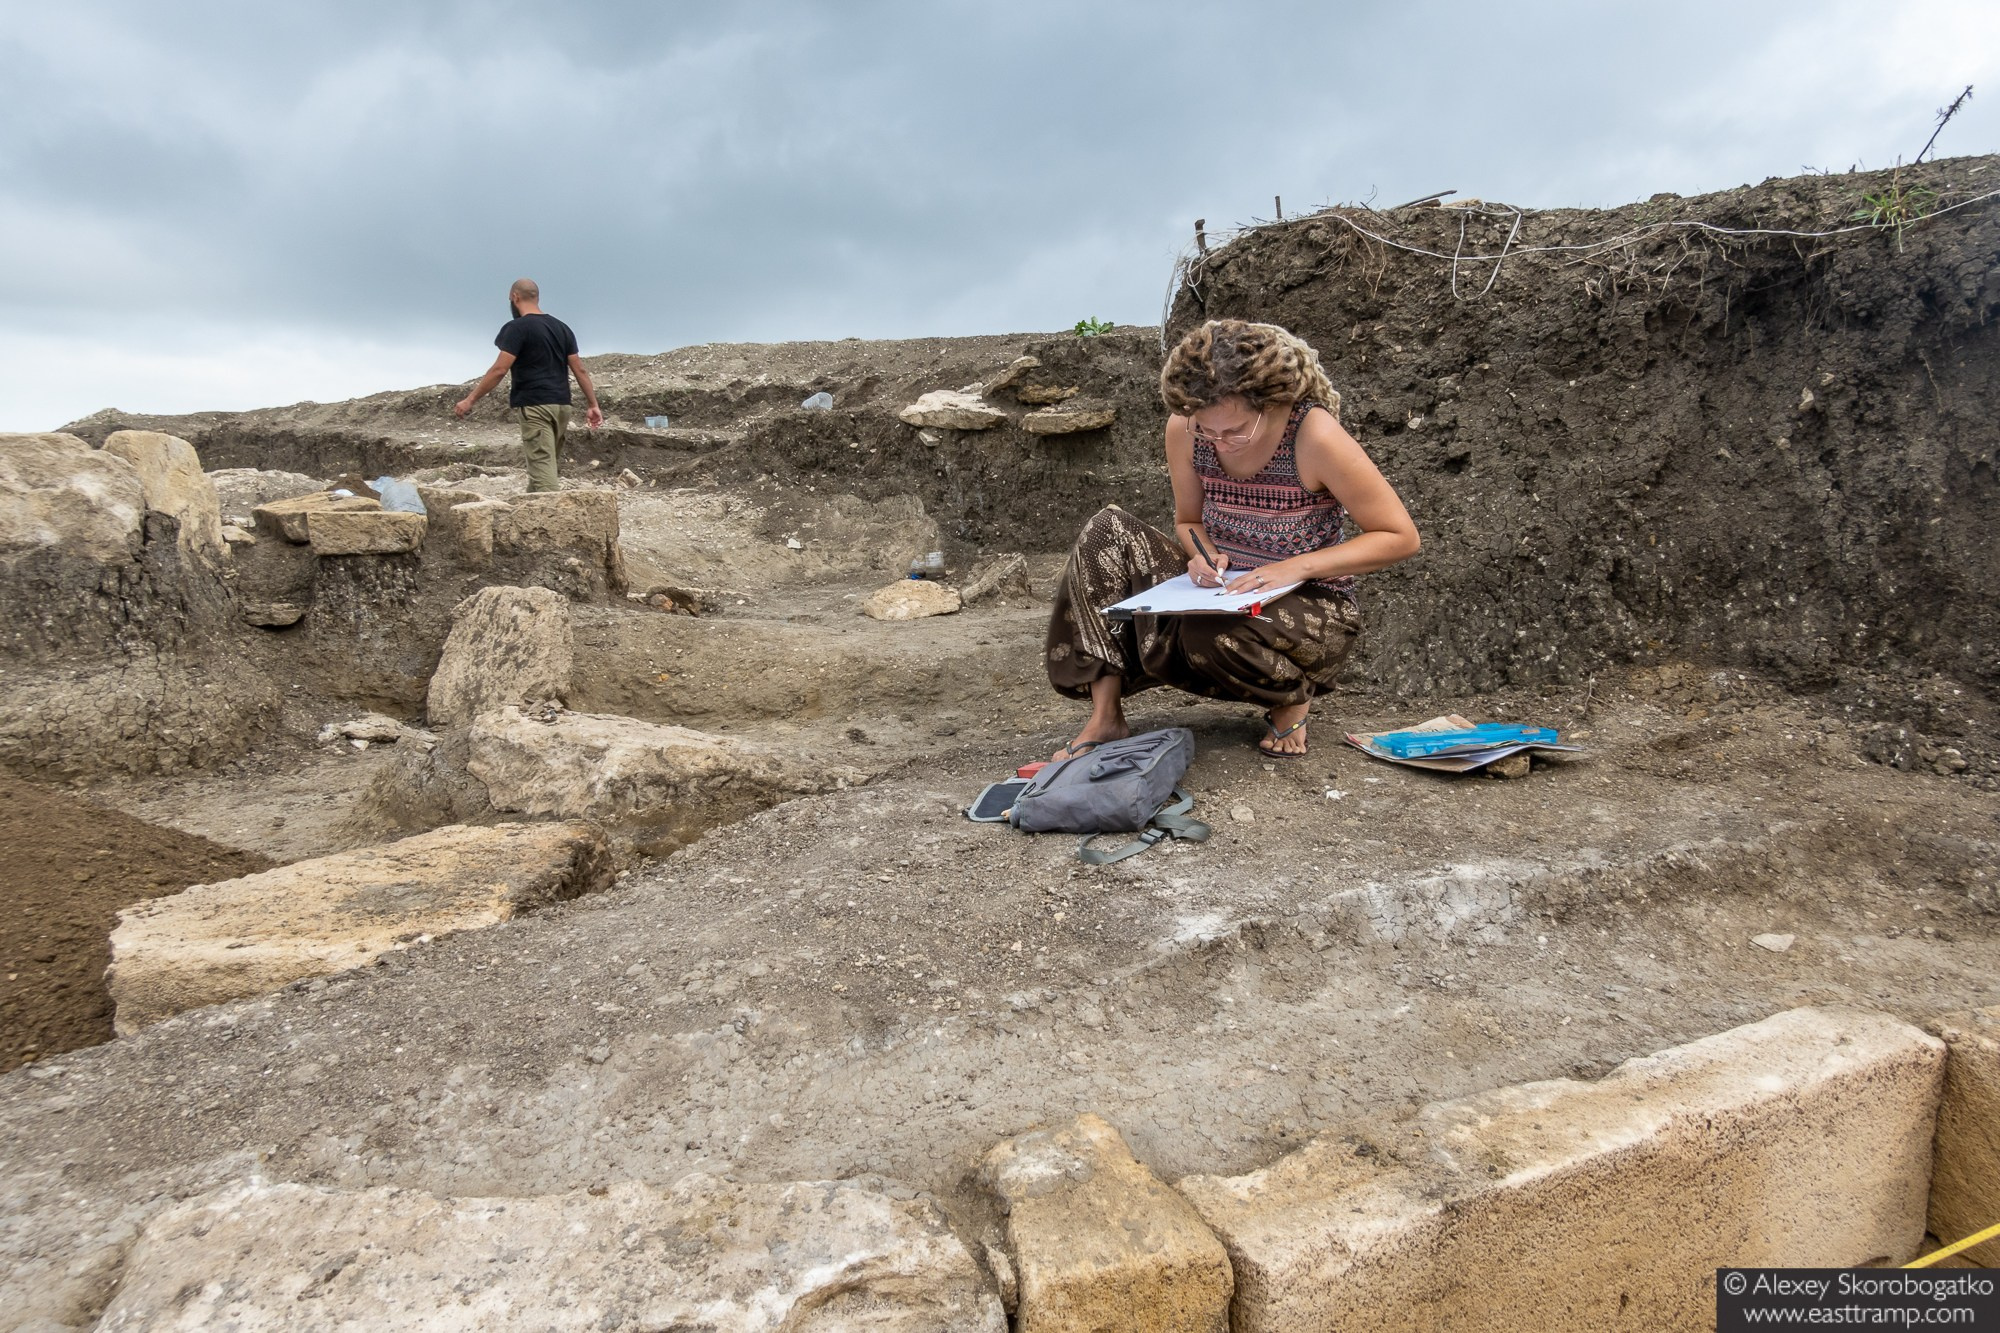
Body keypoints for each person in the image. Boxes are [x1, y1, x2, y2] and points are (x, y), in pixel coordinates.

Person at [1045, 319, 1420, 760]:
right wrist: (1202, 557)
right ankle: (1106, 715)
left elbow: (1399, 536)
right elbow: (1188, 520)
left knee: (1209, 631)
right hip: (1226, 588)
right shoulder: (1185, 429)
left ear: (1271, 404)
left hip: (1310, 603)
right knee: (1105, 531)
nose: (1222, 442)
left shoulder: (1314, 435)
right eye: (1208, 430)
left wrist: (1294, 566)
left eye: (1236, 430)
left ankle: (1290, 698)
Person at [453, 278, 603, 491]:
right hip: (562, 407)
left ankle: (553, 520)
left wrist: (470, 400)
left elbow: (499, 370)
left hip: (536, 407)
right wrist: (592, 404)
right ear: (536, 297)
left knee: (544, 477)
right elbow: (579, 369)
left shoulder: (517, 328)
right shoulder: (562, 328)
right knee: (542, 470)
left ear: (514, 297)